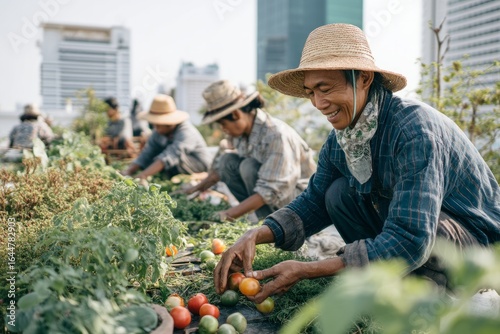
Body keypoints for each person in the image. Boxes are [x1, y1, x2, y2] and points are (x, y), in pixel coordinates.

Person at [214, 23, 500, 303]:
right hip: (427, 237)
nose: (318, 103)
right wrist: (255, 234)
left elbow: (412, 236)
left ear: (363, 79)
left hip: (475, 248)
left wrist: (308, 270)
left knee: (423, 226)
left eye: (325, 88)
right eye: (311, 92)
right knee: (336, 193)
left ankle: (429, 285)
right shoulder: (344, 138)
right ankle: (398, 278)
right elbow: (313, 201)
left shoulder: (414, 130)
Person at [178, 80, 317, 221]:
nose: (223, 129)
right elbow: (218, 169)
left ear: (236, 115)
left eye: (223, 124)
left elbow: (270, 189)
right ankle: (264, 221)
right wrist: (194, 189)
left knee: (248, 167)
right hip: (274, 197)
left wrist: (226, 215)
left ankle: (272, 226)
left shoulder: (276, 135)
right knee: (227, 161)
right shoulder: (240, 135)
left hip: (301, 202)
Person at [121, 94, 212, 181]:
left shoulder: (186, 132)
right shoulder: (158, 133)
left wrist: (143, 175)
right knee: (153, 156)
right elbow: (147, 153)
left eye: (159, 125)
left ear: (169, 123)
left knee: (171, 158)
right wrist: (129, 171)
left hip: (199, 166)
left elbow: (170, 156)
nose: (156, 128)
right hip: (177, 164)